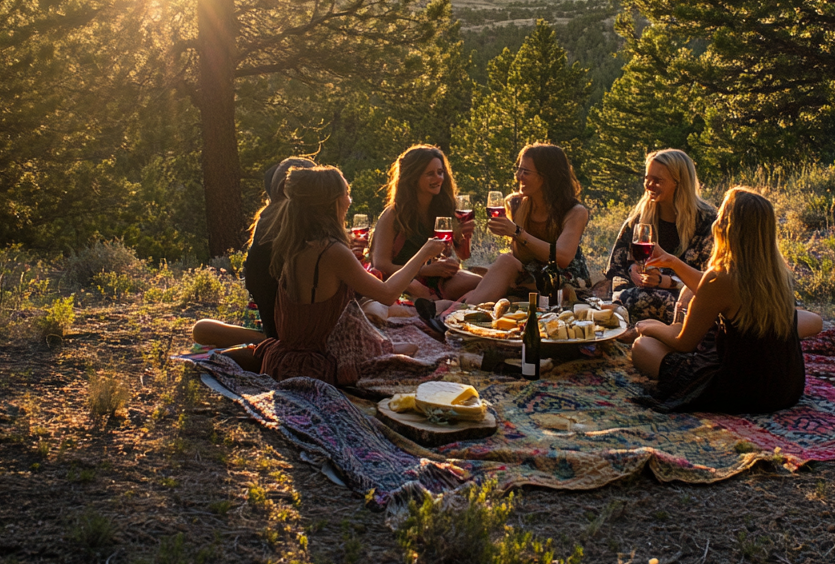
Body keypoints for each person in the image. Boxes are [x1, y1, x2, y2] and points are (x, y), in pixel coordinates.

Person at [193, 166, 448, 384]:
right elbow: (388, 294)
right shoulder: (333, 251)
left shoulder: (293, 242)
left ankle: (229, 358)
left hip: (285, 353)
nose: (349, 201)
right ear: (332, 202)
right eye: (346, 194)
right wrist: (424, 253)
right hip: (318, 362)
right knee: (416, 350)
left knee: (398, 343)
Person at [629, 187, 824, 413]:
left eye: (720, 217)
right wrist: (672, 262)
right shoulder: (776, 275)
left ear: (727, 228)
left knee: (643, 346)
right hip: (785, 388)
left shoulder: (721, 279)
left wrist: (647, 327)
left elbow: (684, 343)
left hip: (741, 390)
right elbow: (721, 290)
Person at [464, 143, 590, 304]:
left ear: (547, 176)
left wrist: (517, 232)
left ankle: (463, 312)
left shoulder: (574, 211)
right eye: (519, 169)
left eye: (526, 171)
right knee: (500, 263)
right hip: (529, 276)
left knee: (503, 266)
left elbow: (563, 257)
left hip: (563, 279)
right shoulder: (517, 204)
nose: (518, 176)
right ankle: (459, 313)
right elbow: (519, 256)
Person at [606, 149, 716, 325]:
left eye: (657, 181)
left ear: (679, 183)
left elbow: (711, 282)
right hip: (635, 293)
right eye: (647, 178)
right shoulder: (640, 218)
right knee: (625, 299)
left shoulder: (706, 222)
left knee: (643, 301)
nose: (648, 185)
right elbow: (616, 268)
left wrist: (667, 282)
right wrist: (632, 270)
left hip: (686, 301)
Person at [371, 145, 482, 306]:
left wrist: (464, 237)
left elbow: (463, 255)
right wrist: (423, 271)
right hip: (402, 279)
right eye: (430, 174)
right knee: (416, 288)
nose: (438, 179)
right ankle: (442, 308)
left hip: (436, 279)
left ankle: (451, 311)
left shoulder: (444, 209)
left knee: (481, 284)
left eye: (440, 172)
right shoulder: (394, 214)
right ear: (413, 177)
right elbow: (380, 264)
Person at [244, 156, 316, 339]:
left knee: (203, 328)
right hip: (297, 341)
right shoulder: (307, 237)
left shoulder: (265, 224)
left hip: (273, 333)